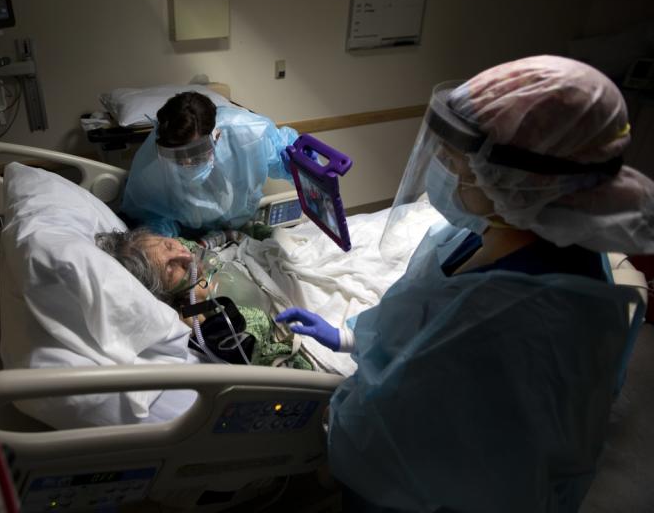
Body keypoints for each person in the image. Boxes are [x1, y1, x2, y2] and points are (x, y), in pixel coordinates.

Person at [275, 56, 654, 512]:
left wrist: (339, 425)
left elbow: (412, 429)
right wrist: (349, 336)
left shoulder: (519, 308)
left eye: (454, 159)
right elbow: (423, 319)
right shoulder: (495, 225)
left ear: (521, 179)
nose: (440, 165)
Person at [95, 228, 312, 369]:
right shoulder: (196, 317)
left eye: (168, 245)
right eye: (171, 269)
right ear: (163, 292)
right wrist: (199, 307)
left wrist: (242, 237)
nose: (186, 256)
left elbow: (228, 235)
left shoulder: (183, 247)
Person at [120, 91, 299, 238]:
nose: (187, 162)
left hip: (240, 226)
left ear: (217, 136)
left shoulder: (250, 134)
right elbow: (151, 215)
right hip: (190, 235)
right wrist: (165, 241)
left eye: (194, 153)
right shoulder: (150, 165)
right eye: (177, 156)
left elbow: (290, 164)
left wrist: (304, 170)